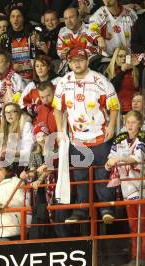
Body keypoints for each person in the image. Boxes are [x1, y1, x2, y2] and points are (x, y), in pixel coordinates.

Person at [54, 48, 120, 224]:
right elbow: (57, 108)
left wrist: (112, 126)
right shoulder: (63, 82)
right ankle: (81, 210)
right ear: (68, 63)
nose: (77, 63)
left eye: (81, 60)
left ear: (87, 61)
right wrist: (60, 131)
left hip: (100, 136)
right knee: (81, 176)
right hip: (77, 139)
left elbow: (114, 105)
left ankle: (106, 209)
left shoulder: (100, 80)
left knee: (102, 174)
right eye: (73, 60)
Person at [105, 111, 145, 266]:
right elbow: (111, 157)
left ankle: (142, 259)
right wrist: (109, 162)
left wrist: (117, 159)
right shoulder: (120, 138)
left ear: (140, 124)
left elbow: (135, 158)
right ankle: (137, 258)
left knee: (141, 224)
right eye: (128, 122)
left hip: (142, 186)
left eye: (133, 122)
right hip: (127, 186)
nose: (130, 125)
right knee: (134, 225)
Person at [57, 7, 103, 72]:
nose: (68, 21)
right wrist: (63, 54)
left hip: (90, 66)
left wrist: (72, 53)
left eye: (71, 17)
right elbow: (60, 52)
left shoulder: (89, 28)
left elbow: (95, 50)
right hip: (70, 67)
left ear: (79, 17)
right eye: (66, 18)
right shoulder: (62, 31)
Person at [2, 7, 39, 81]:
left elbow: (40, 56)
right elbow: (2, 59)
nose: (16, 19)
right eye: (13, 16)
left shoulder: (32, 34)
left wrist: (37, 44)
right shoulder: (5, 37)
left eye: (18, 16)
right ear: (9, 19)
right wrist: (11, 66)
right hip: (13, 79)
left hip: (32, 77)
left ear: (23, 18)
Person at [0, 102, 34, 167]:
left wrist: (11, 152)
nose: (9, 114)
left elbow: (28, 151)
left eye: (13, 111)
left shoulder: (26, 125)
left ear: (18, 113)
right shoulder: (4, 129)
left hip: (25, 164)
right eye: (7, 112)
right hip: (9, 164)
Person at [105, 47, 140, 114]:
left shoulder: (135, 71)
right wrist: (122, 71)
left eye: (126, 56)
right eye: (120, 56)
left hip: (133, 109)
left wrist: (138, 66)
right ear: (116, 57)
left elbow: (141, 89)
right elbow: (112, 90)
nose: (123, 58)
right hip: (117, 110)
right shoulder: (110, 71)